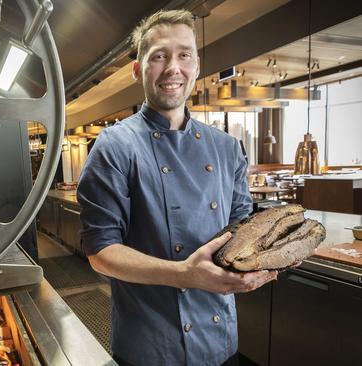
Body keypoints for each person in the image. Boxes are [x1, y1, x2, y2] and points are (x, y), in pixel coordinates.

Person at [77, 9, 278, 366]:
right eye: (159, 55)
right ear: (139, 70)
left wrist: (254, 264)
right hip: (149, 343)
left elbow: (242, 230)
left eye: (184, 54)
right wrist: (184, 274)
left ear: (197, 66)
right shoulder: (115, 146)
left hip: (219, 337)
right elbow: (101, 252)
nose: (173, 67)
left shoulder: (227, 147)